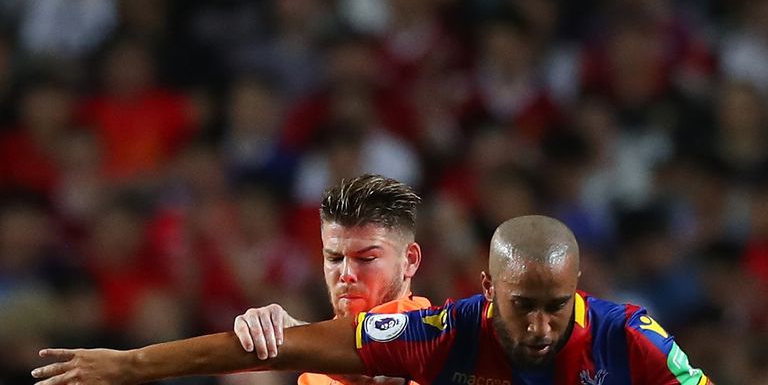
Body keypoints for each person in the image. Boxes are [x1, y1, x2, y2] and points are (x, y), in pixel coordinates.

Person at [31, 215, 714, 385]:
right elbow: (277, 345)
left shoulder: (632, 338)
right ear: (486, 292)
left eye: (555, 307)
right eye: (521, 307)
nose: (539, 327)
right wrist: (127, 368)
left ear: (579, 293)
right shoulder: (440, 335)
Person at [232, 173, 430, 385]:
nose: (346, 273)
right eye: (334, 258)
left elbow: (378, 374)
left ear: (410, 261)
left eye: (366, 258)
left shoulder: (430, 336)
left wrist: (297, 336)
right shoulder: (313, 378)